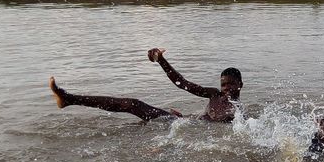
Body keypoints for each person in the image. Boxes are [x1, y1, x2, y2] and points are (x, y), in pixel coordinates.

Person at [49, 48, 243, 122]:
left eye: (230, 85)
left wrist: (186, 121)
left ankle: (69, 100)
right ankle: (69, 99)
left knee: (133, 108)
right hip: (178, 123)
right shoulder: (214, 95)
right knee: (131, 105)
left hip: (180, 128)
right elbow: (182, 84)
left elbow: (213, 126)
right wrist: (162, 61)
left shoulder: (238, 113)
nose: (226, 88)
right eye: (223, 84)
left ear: (240, 85)